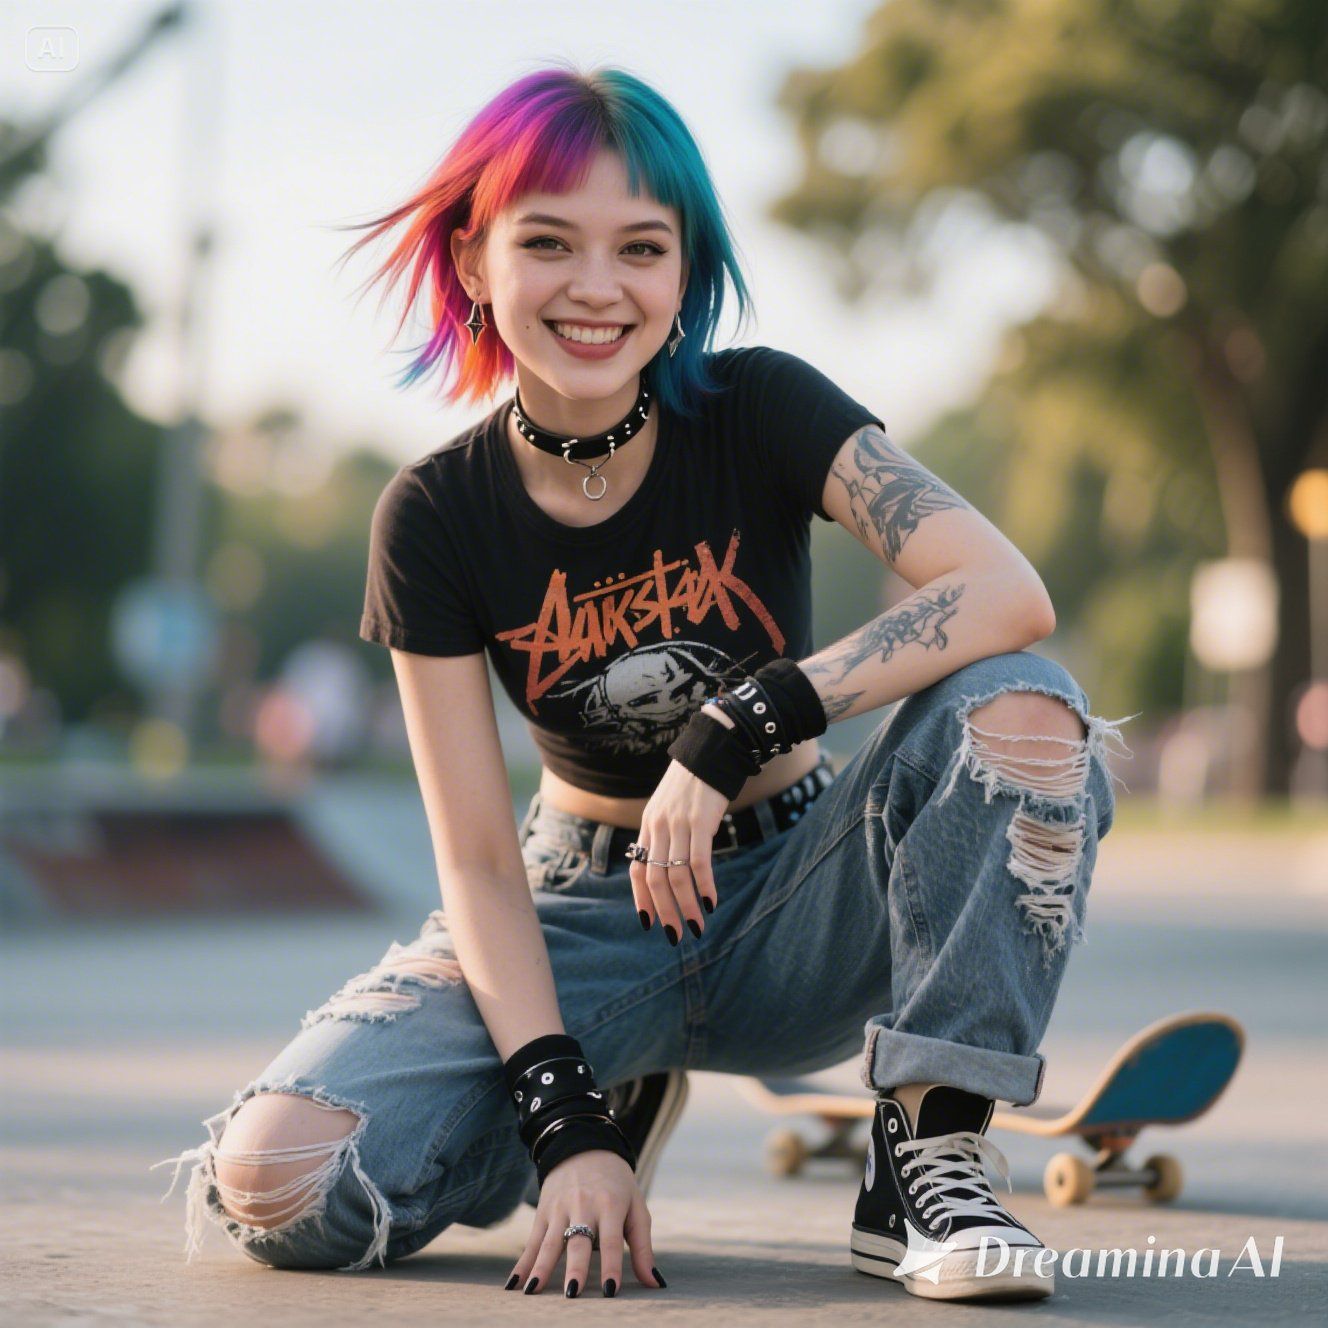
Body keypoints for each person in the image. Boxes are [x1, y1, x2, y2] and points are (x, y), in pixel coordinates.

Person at [153, 63, 1132, 1303]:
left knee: (1027, 708)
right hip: (579, 915)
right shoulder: (434, 515)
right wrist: (563, 1125)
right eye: (549, 242)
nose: (597, 288)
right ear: (472, 260)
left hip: (803, 891)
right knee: (280, 1179)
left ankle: (928, 1155)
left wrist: (742, 719)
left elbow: (1002, 589)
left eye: (642, 248)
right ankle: (612, 1098)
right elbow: (473, 860)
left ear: (684, 270)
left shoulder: (763, 407)